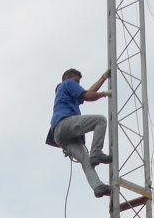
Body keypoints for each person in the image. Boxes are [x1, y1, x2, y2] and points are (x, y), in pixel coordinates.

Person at [46, 68, 112, 198]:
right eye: (77, 81)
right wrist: (105, 93)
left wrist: (103, 77)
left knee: (86, 160)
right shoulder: (67, 84)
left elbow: (88, 92)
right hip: (64, 123)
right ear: (68, 77)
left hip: (60, 135)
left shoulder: (65, 91)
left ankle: (97, 187)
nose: (78, 84)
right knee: (100, 120)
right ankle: (96, 152)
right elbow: (88, 96)